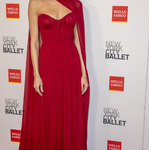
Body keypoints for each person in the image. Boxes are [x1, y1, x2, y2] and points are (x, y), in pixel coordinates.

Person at [19, 0, 90, 150]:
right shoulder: (35, 3)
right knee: (47, 115)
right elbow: (34, 42)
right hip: (47, 65)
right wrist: (36, 74)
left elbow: (78, 41)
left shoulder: (75, 4)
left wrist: (84, 74)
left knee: (69, 115)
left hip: (71, 66)